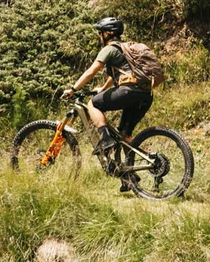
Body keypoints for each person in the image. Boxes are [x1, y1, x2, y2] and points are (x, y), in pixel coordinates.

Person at [62, 17, 152, 170]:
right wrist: (103, 89)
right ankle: (131, 173)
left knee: (93, 103)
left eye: (100, 32)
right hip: (145, 94)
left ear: (108, 33)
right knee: (124, 135)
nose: (99, 36)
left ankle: (106, 139)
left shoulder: (110, 49)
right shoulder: (126, 48)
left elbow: (91, 71)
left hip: (128, 91)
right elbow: (118, 75)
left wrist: (73, 89)